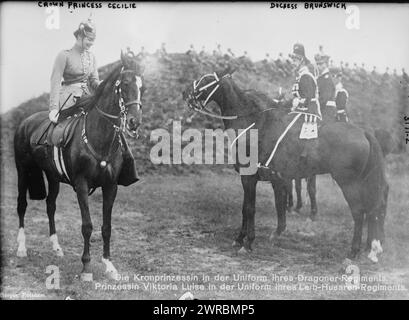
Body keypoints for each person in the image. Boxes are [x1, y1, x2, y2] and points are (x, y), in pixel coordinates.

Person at [49, 18, 100, 123]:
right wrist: (53, 108)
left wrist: (102, 85)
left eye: (93, 40)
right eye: (89, 39)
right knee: (60, 132)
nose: (91, 43)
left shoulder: (92, 57)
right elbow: (55, 82)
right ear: (80, 36)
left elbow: (94, 80)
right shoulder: (64, 55)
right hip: (68, 101)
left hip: (87, 98)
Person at [289, 43, 321, 161]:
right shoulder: (300, 75)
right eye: (292, 59)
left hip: (309, 112)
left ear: (301, 60)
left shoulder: (306, 76)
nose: (292, 62)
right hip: (301, 109)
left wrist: (294, 105)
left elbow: (307, 98)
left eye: (295, 59)